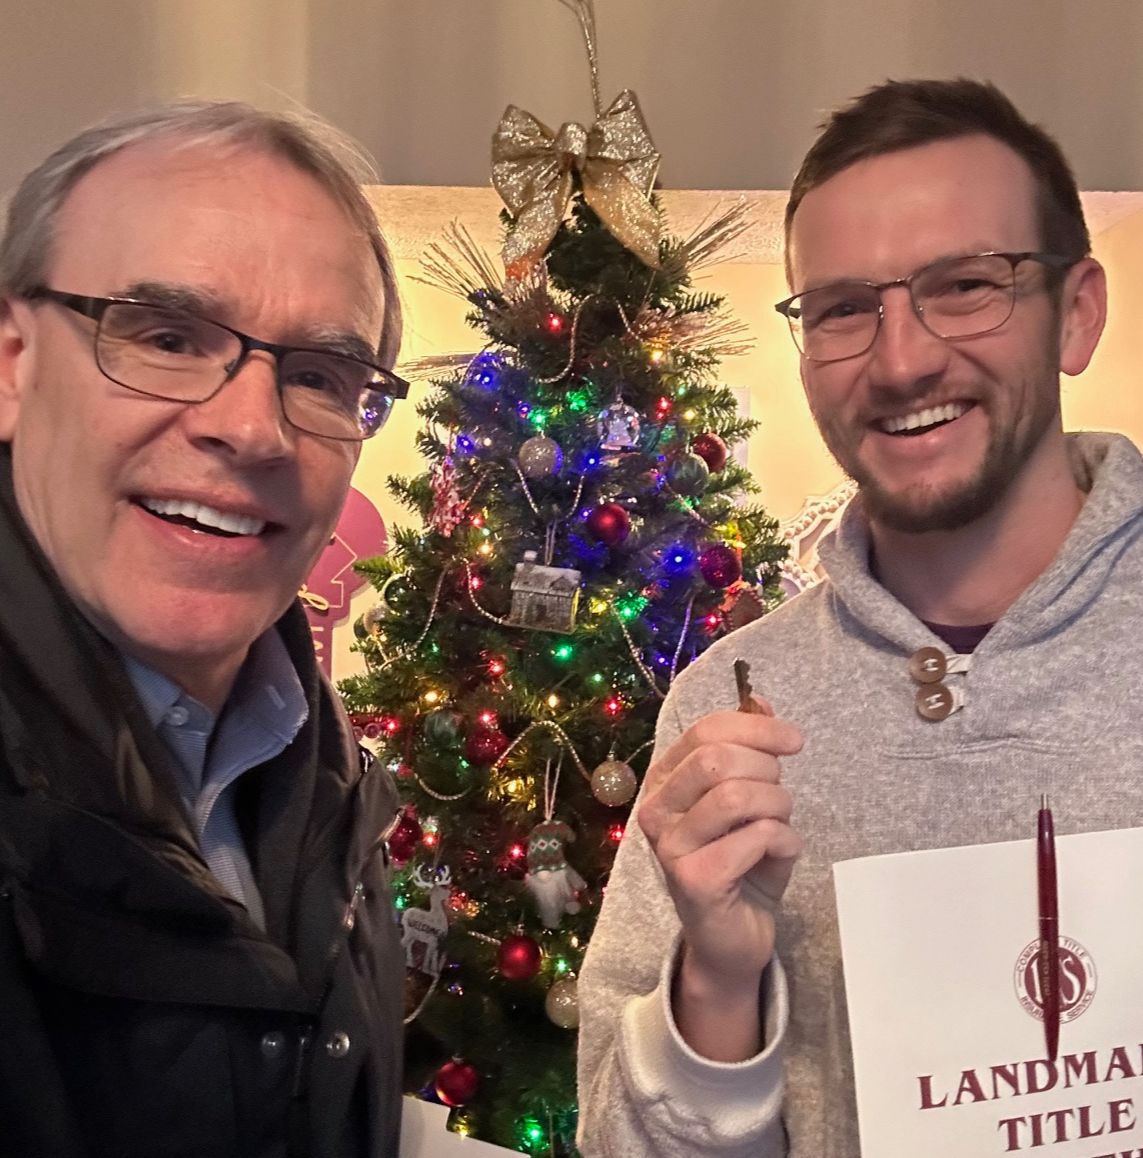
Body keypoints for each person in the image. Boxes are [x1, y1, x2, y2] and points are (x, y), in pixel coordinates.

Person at [577, 77, 1130, 1156]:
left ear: (1076, 313)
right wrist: (717, 990)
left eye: (967, 285)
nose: (901, 359)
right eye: (842, 309)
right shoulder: (731, 706)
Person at [0, 101, 410, 1157]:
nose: (251, 426)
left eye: (320, 374)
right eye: (168, 337)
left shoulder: (318, 776)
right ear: (10, 363)